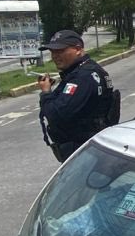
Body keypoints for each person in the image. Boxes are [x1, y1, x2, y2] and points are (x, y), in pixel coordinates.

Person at [37, 29, 119, 163]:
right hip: (92, 147)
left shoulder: (82, 77)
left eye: (60, 51)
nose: (55, 56)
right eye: (53, 52)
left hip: (85, 150)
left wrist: (46, 93)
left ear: (78, 49)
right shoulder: (86, 70)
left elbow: (55, 114)